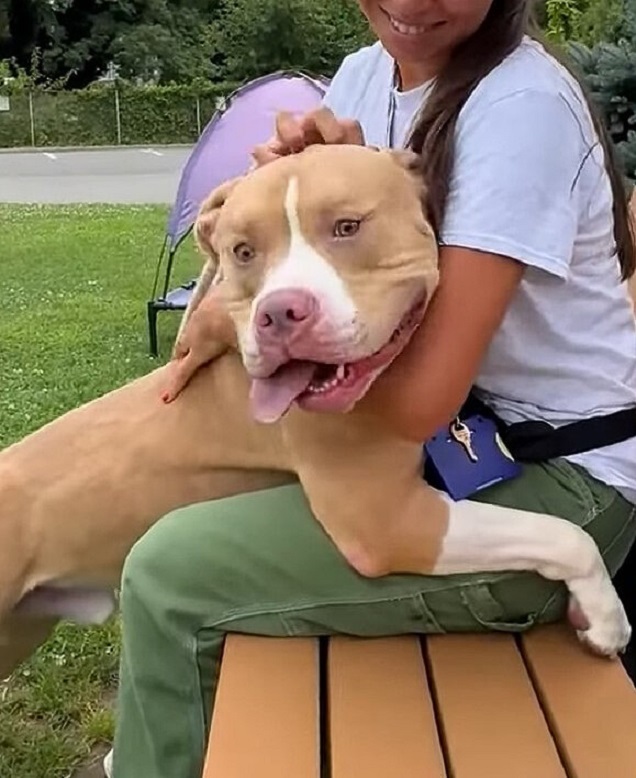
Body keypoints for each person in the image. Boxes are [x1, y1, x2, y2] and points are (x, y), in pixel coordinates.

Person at [106, 1, 636, 776]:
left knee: (167, 577)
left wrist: (266, 338)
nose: (412, 1)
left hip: (561, 475)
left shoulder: (520, 106)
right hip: (458, 443)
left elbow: (418, 401)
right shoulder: (363, 75)